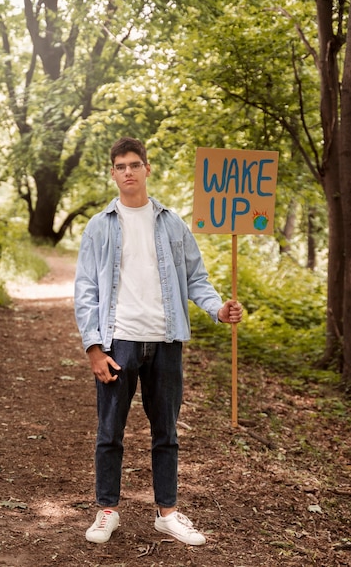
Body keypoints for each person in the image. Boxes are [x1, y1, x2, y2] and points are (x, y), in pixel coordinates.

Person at [74, 137, 243, 545]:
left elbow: (196, 278)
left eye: (134, 164)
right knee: (109, 431)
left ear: (148, 169)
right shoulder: (100, 226)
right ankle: (107, 510)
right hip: (119, 343)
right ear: (112, 173)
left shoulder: (171, 223)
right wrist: (94, 348)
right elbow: (85, 290)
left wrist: (217, 309)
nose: (128, 172)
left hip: (166, 342)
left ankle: (167, 512)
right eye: (120, 166)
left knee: (165, 431)